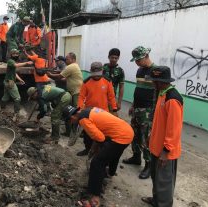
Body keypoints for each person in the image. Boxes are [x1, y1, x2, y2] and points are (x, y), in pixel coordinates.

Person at [63, 105, 134, 207]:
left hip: (120, 136)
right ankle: (110, 173)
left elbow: (100, 138)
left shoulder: (83, 119)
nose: (71, 123)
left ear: (72, 117)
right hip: (127, 131)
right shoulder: (88, 110)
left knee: (97, 162)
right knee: (114, 153)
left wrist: (96, 149)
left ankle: (95, 195)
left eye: (69, 121)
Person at [141, 66, 183, 207]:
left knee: (164, 182)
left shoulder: (172, 99)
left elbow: (174, 129)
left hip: (165, 152)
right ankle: (156, 200)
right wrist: (151, 135)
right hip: (156, 147)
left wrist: (166, 151)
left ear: (160, 82)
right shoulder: (161, 94)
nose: (153, 83)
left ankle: (163, 204)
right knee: (156, 178)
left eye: (154, 81)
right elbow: (159, 121)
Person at [122, 46, 156, 179]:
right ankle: (136, 157)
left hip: (148, 111)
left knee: (146, 138)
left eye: (138, 60)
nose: (137, 62)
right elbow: (139, 89)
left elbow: (158, 93)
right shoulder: (140, 70)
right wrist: (133, 105)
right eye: (135, 60)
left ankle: (148, 165)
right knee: (134, 134)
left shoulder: (156, 71)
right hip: (137, 109)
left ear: (146, 56)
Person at [76, 62, 118, 155]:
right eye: (94, 75)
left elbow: (111, 97)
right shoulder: (86, 82)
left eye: (98, 74)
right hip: (89, 112)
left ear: (102, 71)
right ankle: (87, 149)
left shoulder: (107, 81)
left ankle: (100, 151)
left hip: (103, 113)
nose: (96, 77)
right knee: (88, 134)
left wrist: (114, 110)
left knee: (102, 134)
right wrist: (80, 108)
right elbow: (81, 97)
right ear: (91, 72)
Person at [47, 52, 83, 137]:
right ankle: (69, 131)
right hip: (73, 91)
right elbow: (63, 76)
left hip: (76, 92)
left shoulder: (71, 67)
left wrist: (49, 75)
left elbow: (59, 76)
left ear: (73, 59)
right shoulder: (74, 66)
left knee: (76, 112)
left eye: (67, 59)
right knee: (70, 112)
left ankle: (79, 132)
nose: (65, 60)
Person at [1, 49, 33, 122]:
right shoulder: (10, 61)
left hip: (6, 82)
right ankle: (16, 114)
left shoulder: (12, 62)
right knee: (17, 98)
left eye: (17, 54)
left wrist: (20, 79)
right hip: (10, 83)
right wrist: (27, 63)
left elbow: (14, 73)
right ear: (11, 54)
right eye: (14, 54)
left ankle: (2, 110)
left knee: (5, 97)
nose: (16, 55)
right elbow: (16, 65)